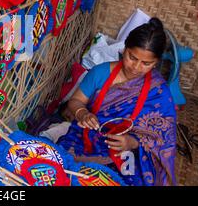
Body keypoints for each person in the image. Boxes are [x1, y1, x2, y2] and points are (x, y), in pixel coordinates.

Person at [57, 18, 177, 186]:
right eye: (132, 57)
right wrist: (82, 113)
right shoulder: (100, 72)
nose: (135, 67)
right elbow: (76, 100)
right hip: (90, 137)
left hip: (129, 150)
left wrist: (132, 142)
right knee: (62, 169)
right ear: (124, 49)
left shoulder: (159, 91)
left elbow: (163, 137)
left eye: (146, 63)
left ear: (156, 63)